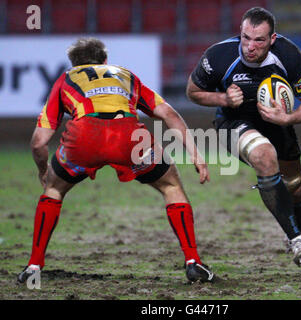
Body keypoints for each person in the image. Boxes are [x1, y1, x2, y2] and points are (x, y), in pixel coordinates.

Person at [18, 37, 215, 284]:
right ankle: (193, 262)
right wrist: (195, 154)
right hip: (129, 139)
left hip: (84, 139)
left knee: (54, 190)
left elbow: (39, 141)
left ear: (73, 63)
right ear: (105, 61)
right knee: (171, 186)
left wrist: (42, 170)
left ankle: (34, 266)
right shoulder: (125, 75)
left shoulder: (66, 79)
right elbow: (169, 113)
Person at [186, 7, 301, 273]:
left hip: (277, 124)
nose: (250, 46)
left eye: (259, 40)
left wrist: (288, 119)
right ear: (240, 33)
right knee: (264, 155)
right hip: (233, 123)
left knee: (294, 186)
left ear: (272, 39)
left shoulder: (288, 54)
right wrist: (223, 99)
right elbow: (193, 91)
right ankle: (298, 241)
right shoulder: (219, 56)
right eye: (245, 37)